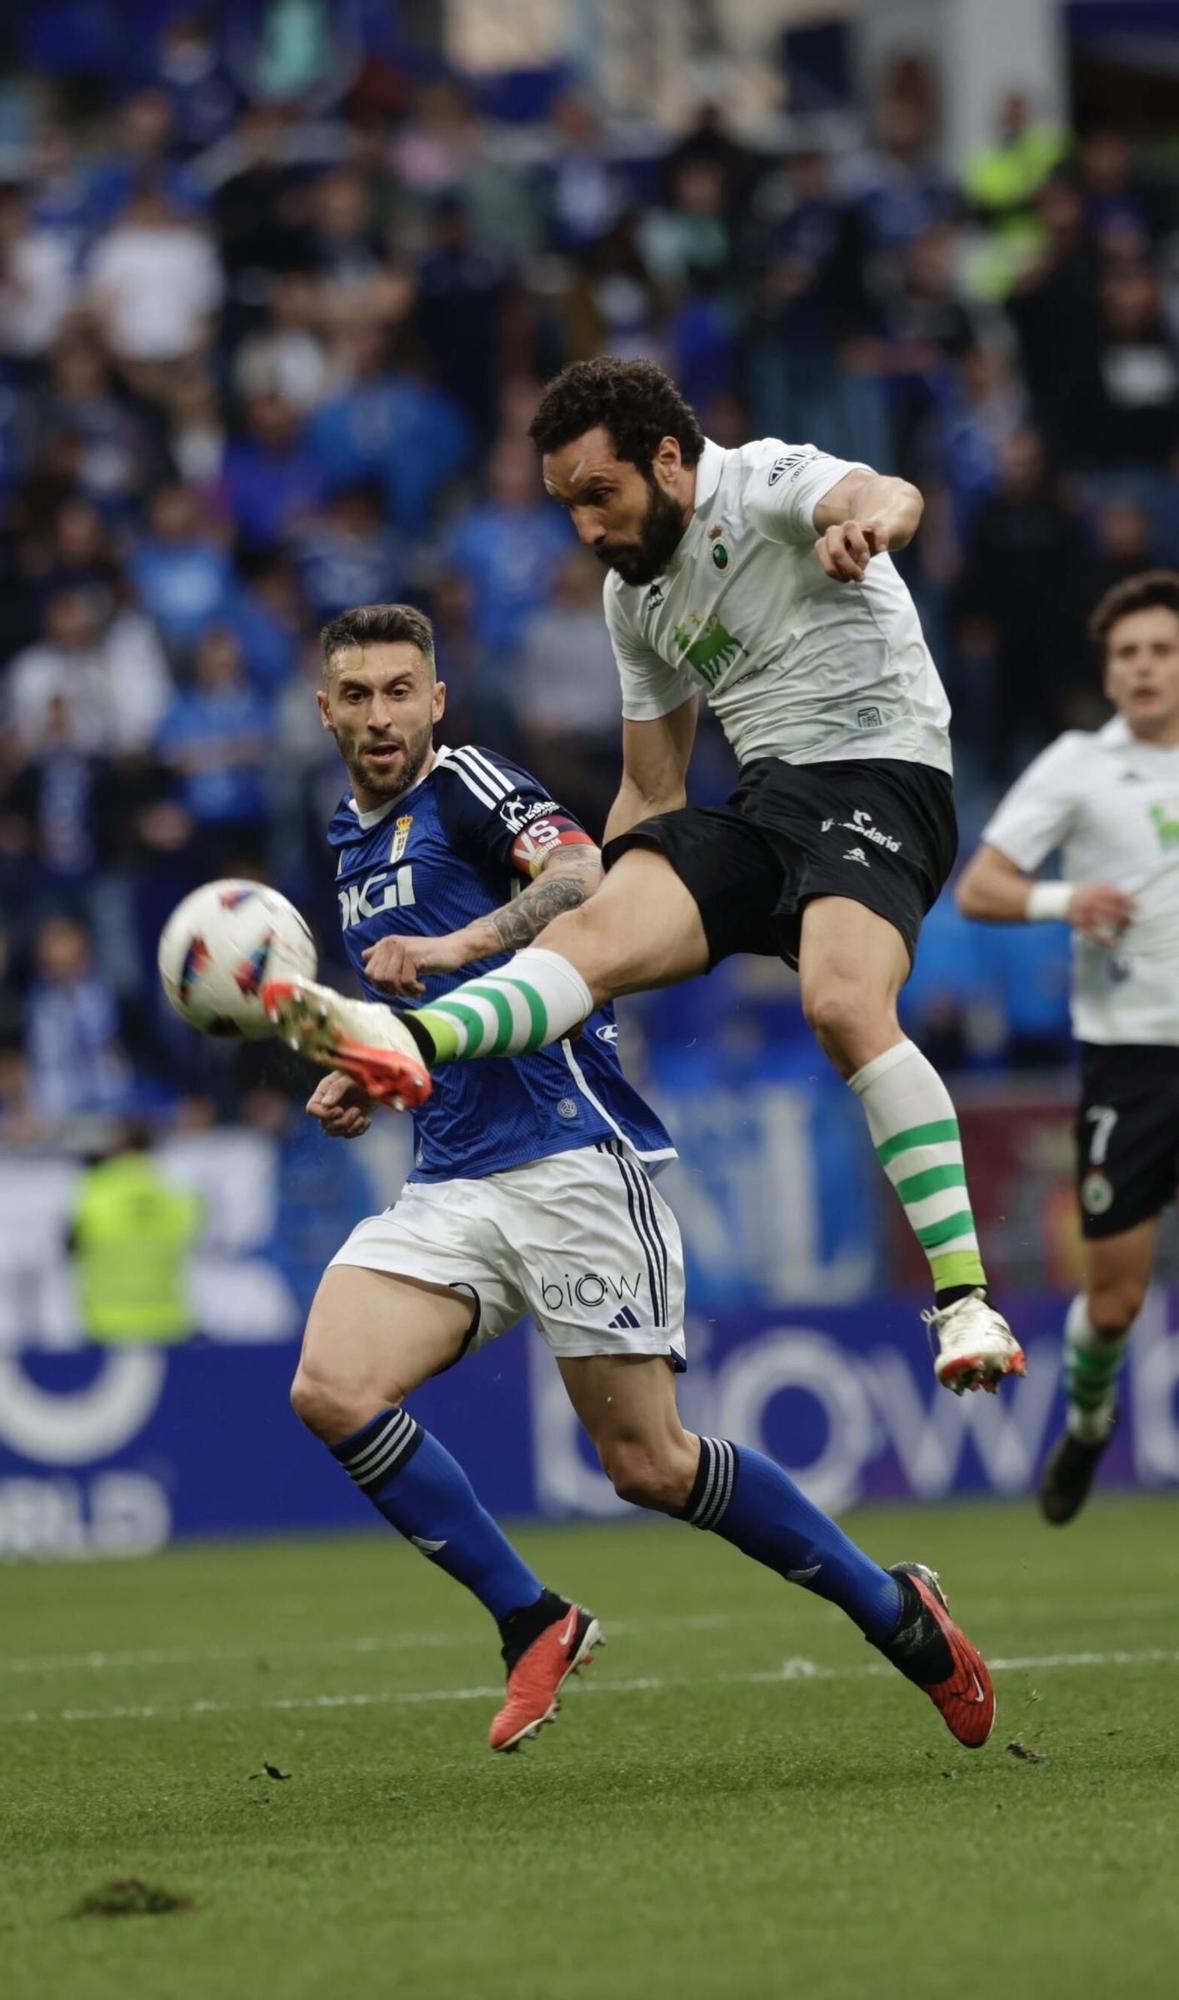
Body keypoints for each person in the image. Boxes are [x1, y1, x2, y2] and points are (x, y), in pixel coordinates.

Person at [267, 600, 996, 1756]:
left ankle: (899, 1612)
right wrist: (374, 1072)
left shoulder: (464, 780)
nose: (380, 715)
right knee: (331, 1387)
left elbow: (577, 870)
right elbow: (419, 1015)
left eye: (401, 689)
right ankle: (533, 1617)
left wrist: (460, 951)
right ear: (325, 711)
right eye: (355, 696)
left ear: (438, 697)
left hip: (573, 1158)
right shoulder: (349, 837)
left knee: (648, 1463)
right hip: (451, 1176)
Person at [268, 358, 1024, 1397]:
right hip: (764, 808)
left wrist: (872, 527)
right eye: (567, 505)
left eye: (598, 494)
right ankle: (402, 1045)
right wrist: (602, 917)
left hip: (883, 777)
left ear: (668, 459)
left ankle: (966, 1299)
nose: (584, 527)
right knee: (580, 942)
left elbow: (882, 492)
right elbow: (650, 789)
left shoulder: (763, 483)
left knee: (840, 1001)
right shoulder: (637, 597)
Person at [956, 571, 1179, 1523]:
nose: (1141, 668)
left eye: (1160, 650)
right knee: (1117, 1300)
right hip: (1129, 1060)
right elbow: (982, 886)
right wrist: (1063, 900)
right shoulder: (1078, 766)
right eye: (1126, 653)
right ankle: (1088, 1425)